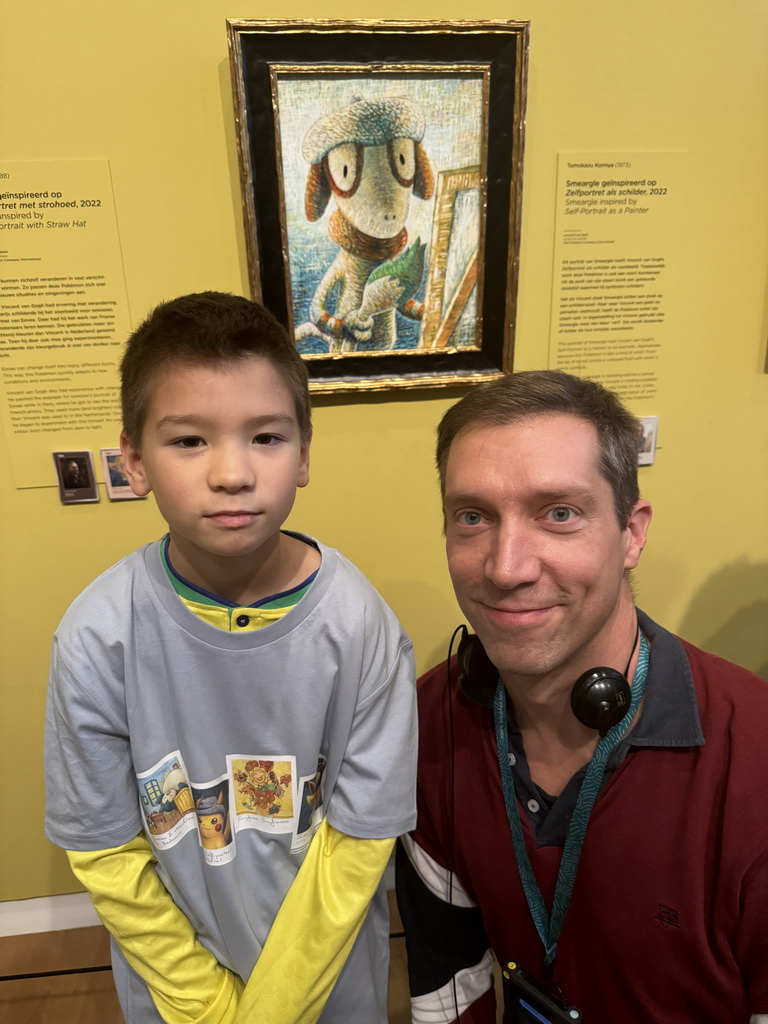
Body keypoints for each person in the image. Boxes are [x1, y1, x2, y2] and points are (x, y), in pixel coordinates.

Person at [45, 292, 417, 1024]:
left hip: (330, 992)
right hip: (179, 998)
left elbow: (359, 842)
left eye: (266, 438)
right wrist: (213, 1009)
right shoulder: (95, 637)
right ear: (133, 461)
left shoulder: (360, 626)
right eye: (189, 441)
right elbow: (109, 855)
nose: (232, 473)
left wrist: (270, 1010)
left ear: (304, 454)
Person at [396, 369, 768, 1023]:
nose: (507, 567)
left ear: (632, 533)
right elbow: (450, 982)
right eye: (473, 517)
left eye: (559, 514)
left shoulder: (754, 760)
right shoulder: (429, 723)